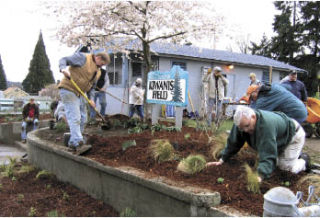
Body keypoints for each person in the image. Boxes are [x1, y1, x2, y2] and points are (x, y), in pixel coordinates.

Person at [206, 105, 310, 182]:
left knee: (285, 168)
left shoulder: (266, 127)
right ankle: (292, 156)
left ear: (253, 117)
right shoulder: (241, 123)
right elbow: (234, 142)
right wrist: (222, 159)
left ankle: (304, 161)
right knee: (274, 162)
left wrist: (260, 176)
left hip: (293, 135)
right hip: (278, 135)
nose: (245, 130)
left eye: (247, 126)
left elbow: (268, 154)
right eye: (242, 128)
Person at [58, 52, 110, 152]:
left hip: (80, 93)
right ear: (98, 57)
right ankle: (78, 143)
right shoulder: (83, 58)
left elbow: (92, 87)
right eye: (102, 64)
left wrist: (91, 99)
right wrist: (63, 69)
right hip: (68, 89)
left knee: (83, 118)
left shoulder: (98, 71)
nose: (101, 66)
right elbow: (63, 59)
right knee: (75, 117)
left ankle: (73, 142)